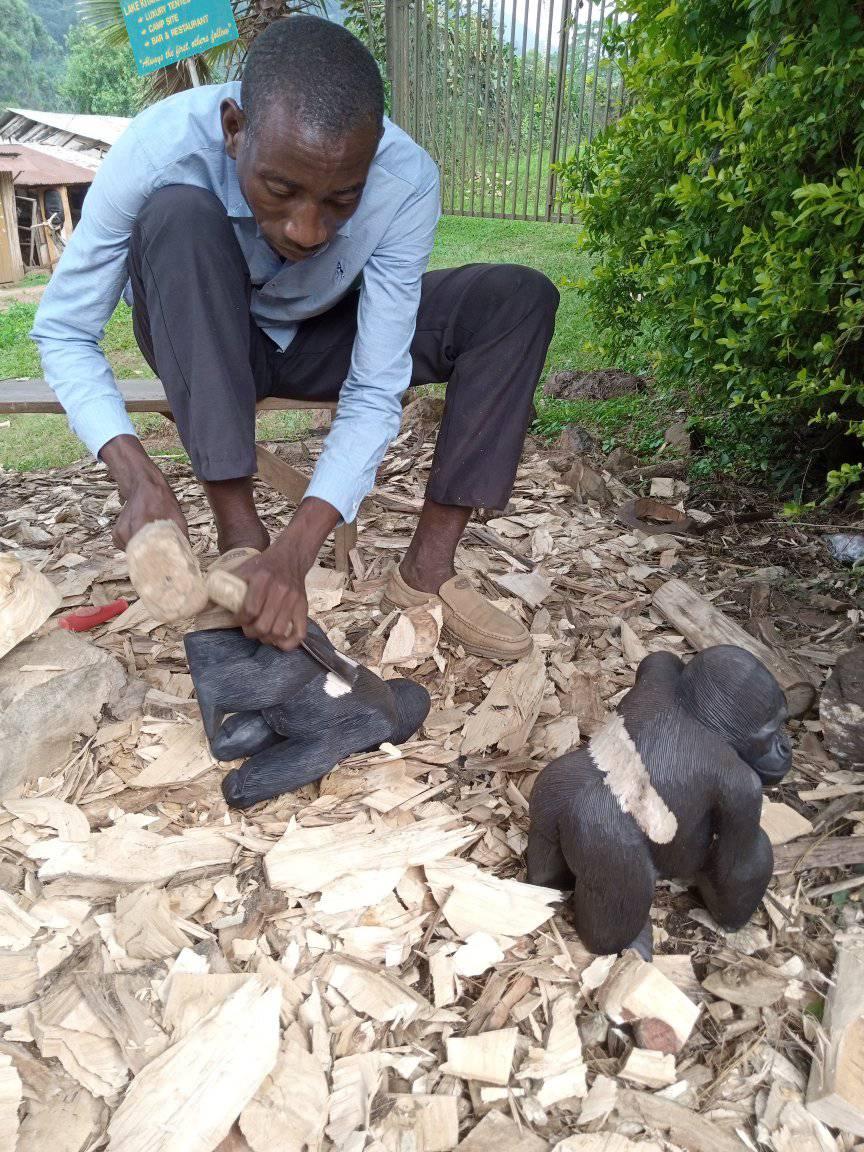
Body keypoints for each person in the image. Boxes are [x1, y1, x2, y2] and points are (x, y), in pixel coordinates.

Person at [32, 15, 559, 663]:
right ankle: (240, 538)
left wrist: (297, 552)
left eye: (341, 199)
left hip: (321, 336)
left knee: (515, 299)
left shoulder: (405, 179)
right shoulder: (157, 148)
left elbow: (375, 385)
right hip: (205, 335)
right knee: (177, 212)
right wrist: (135, 473)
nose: (308, 230)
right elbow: (64, 330)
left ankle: (428, 570)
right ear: (234, 129)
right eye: (281, 190)